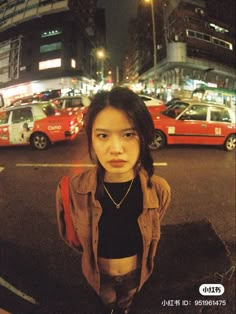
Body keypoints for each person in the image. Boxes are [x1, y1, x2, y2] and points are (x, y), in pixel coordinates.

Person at [56, 87, 171, 314]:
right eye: (103, 135)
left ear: (143, 137)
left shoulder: (158, 190)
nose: (116, 149)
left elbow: (152, 226)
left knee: (127, 301)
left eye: (128, 134)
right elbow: (72, 239)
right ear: (90, 139)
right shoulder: (72, 191)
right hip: (98, 276)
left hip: (137, 274)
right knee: (106, 302)